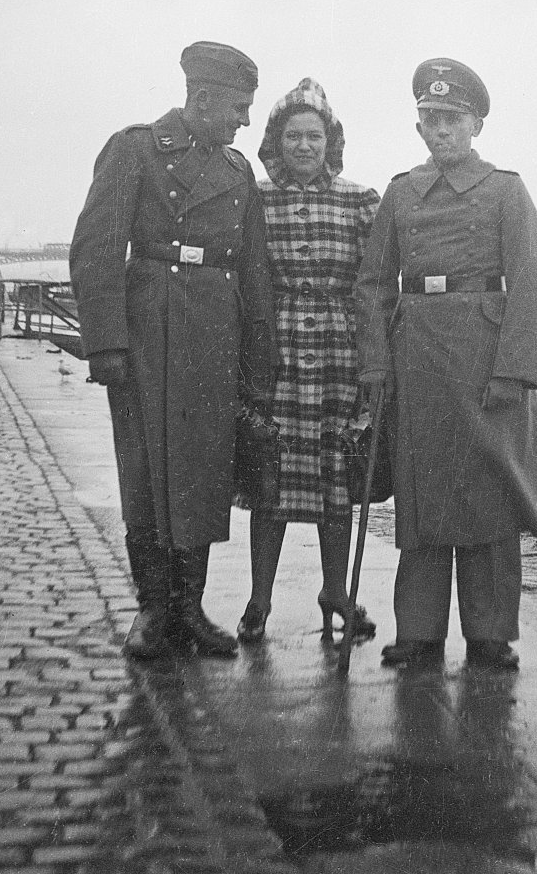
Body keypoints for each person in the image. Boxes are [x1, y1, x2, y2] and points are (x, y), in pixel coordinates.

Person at [70, 41, 273, 660]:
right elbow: (98, 248)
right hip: (149, 327)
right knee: (146, 472)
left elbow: (255, 272)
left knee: (204, 472)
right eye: (238, 108)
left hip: (215, 333)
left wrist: (259, 361)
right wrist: (106, 343)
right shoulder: (136, 149)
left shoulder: (238, 172)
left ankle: (189, 609)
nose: (244, 122)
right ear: (202, 98)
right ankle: (154, 611)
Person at [355, 58, 537, 670]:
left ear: (476, 125)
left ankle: (490, 634)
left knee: (490, 495)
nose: (441, 129)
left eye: (453, 118)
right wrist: (375, 364)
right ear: (418, 126)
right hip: (416, 357)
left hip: (484, 360)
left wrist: (515, 370)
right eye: (431, 118)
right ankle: (418, 632)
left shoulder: (505, 190)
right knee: (420, 498)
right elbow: (373, 284)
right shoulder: (400, 193)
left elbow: (534, 282)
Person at [236, 78, 380, 644]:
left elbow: (376, 285)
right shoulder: (255, 199)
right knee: (270, 475)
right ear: (275, 142)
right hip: (275, 352)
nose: (303, 146)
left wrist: (375, 361)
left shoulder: (360, 200)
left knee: (335, 478)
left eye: (314, 136)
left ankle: (335, 594)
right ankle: (259, 600)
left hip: (339, 354)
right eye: (292, 135)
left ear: (330, 142)